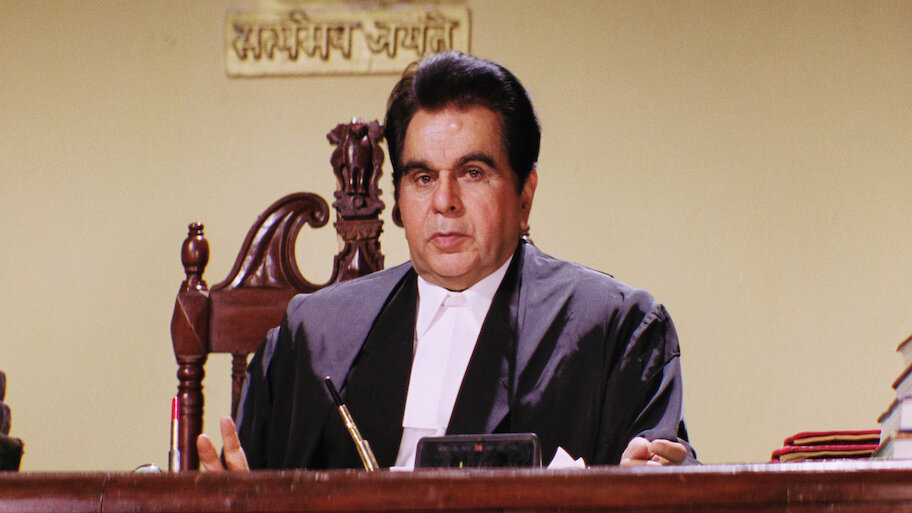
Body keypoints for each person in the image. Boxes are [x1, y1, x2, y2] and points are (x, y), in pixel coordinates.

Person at [197, 51, 696, 471]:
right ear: (398, 199)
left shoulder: (617, 329)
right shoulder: (316, 333)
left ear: (525, 195)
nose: (444, 202)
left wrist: (652, 485)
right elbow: (244, 481)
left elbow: (664, 473)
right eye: (422, 178)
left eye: (472, 172)